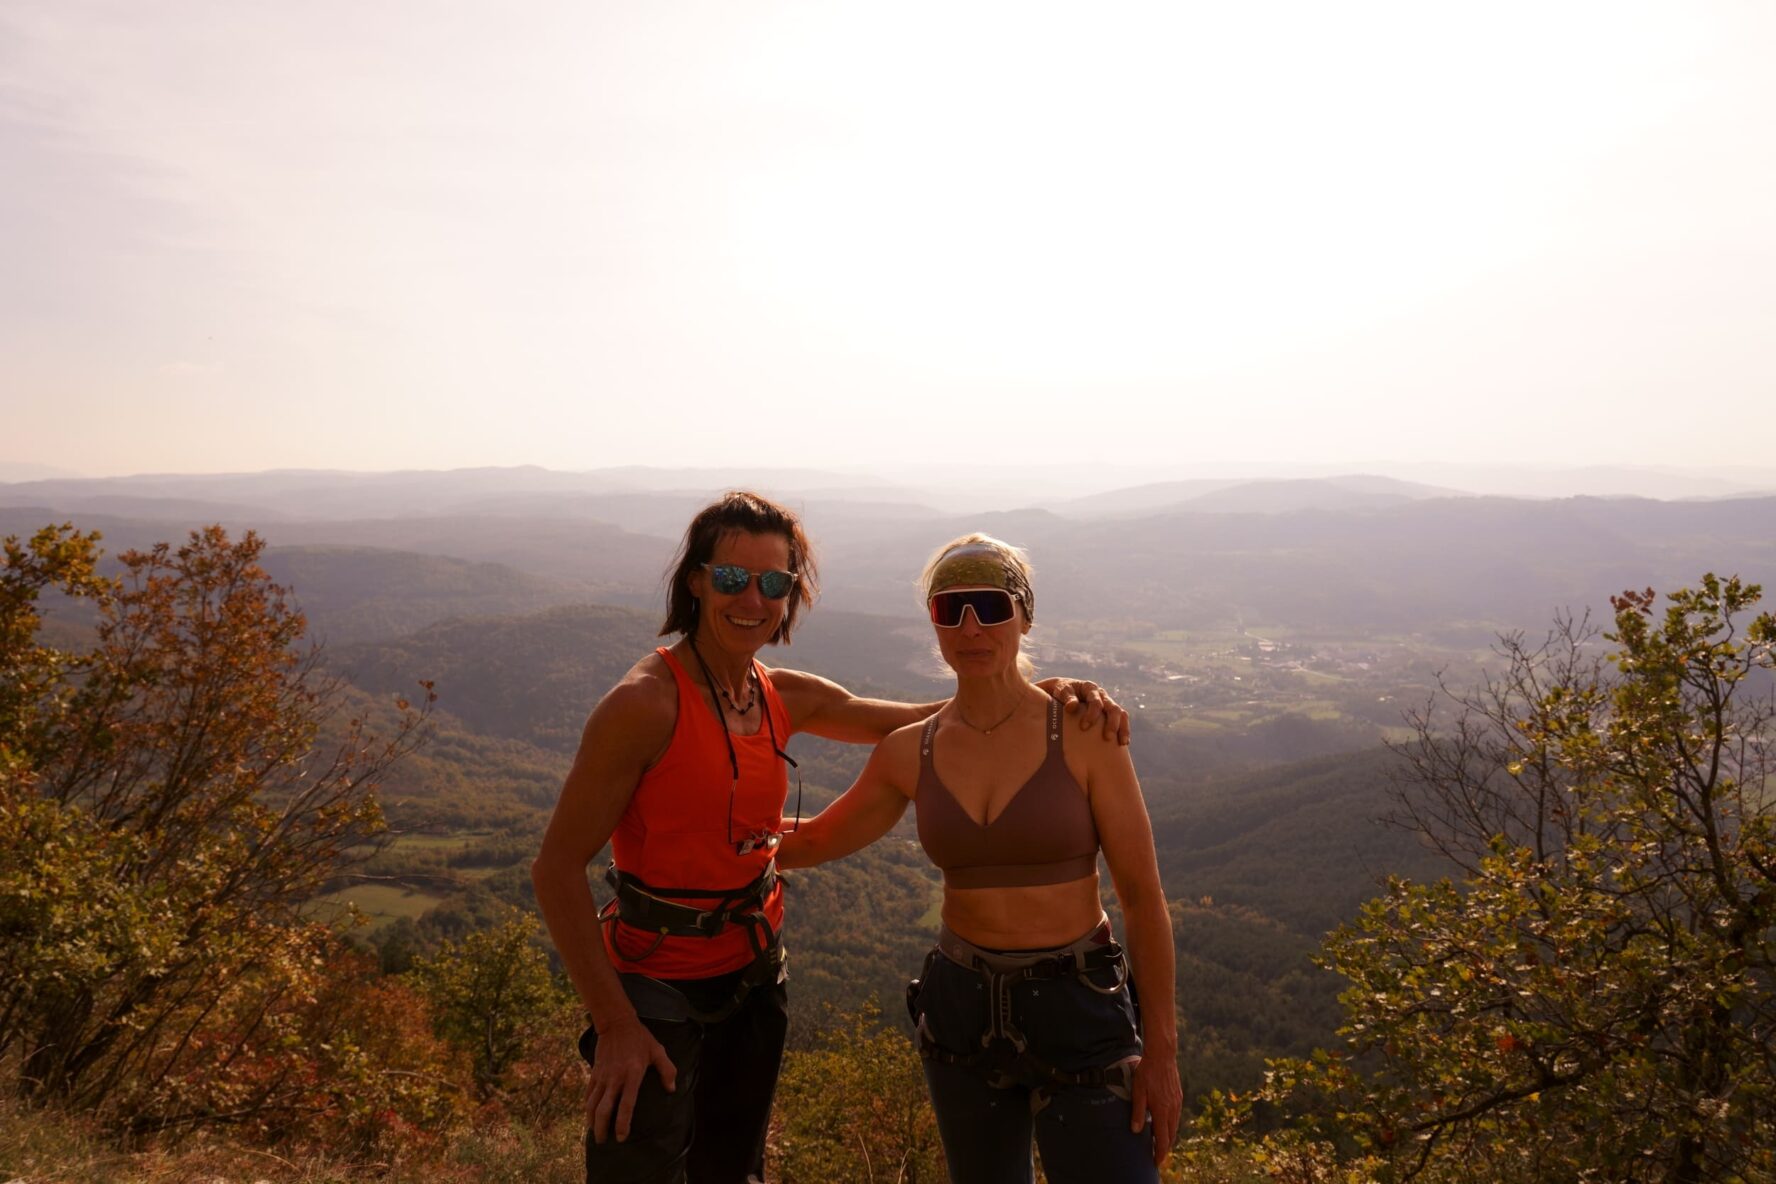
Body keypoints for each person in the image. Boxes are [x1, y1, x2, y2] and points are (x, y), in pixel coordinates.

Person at [531, 493, 1128, 1184]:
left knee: (733, 1172)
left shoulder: (780, 694)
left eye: (773, 582)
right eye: (732, 578)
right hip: (653, 988)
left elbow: (937, 714)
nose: (752, 599)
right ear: (695, 581)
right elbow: (555, 868)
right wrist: (614, 1025)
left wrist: (1042, 693)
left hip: (755, 981)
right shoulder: (643, 705)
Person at [777, 533, 1181, 1183]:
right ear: (934, 622)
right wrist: (688, 833)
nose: (970, 627)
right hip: (961, 1008)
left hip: (1080, 1006)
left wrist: (1162, 1054)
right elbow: (814, 840)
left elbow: (1142, 898)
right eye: (950, 608)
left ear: (1024, 616)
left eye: (991, 607)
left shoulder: (1085, 733)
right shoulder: (909, 750)